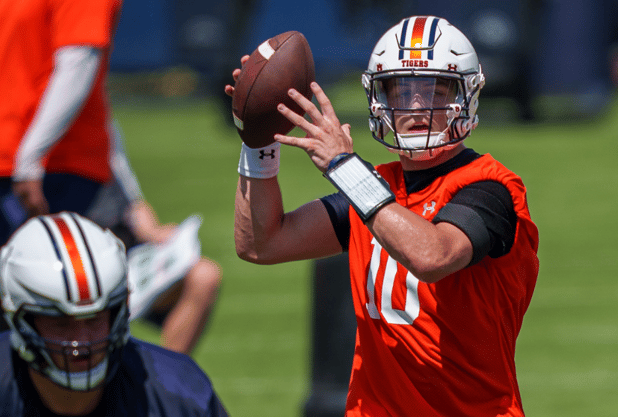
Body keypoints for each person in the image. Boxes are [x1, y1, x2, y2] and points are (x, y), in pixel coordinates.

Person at [229, 16, 540, 416]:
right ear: (379, 99)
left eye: (433, 91)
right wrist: (258, 145)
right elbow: (261, 243)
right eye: (401, 90)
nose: (415, 106)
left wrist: (345, 167)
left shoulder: (491, 188)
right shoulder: (375, 188)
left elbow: (432, 256)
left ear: (466, 95)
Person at [0, 212, 228, 416]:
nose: (83, 340)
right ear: (21, 321)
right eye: (61, 323)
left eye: (94, 318)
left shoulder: (180, 394)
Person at [85, 122, 222, 355]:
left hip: (126, 249)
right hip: (84, 257)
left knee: (204, 275)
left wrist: (155, 231)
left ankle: (169, 382)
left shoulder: (101, 122)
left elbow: (131, 195)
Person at [0, 0, 122, 245]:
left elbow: (79, 65)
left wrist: (30, 160)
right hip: (18, 163)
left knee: (57, 276)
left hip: (55, 169)